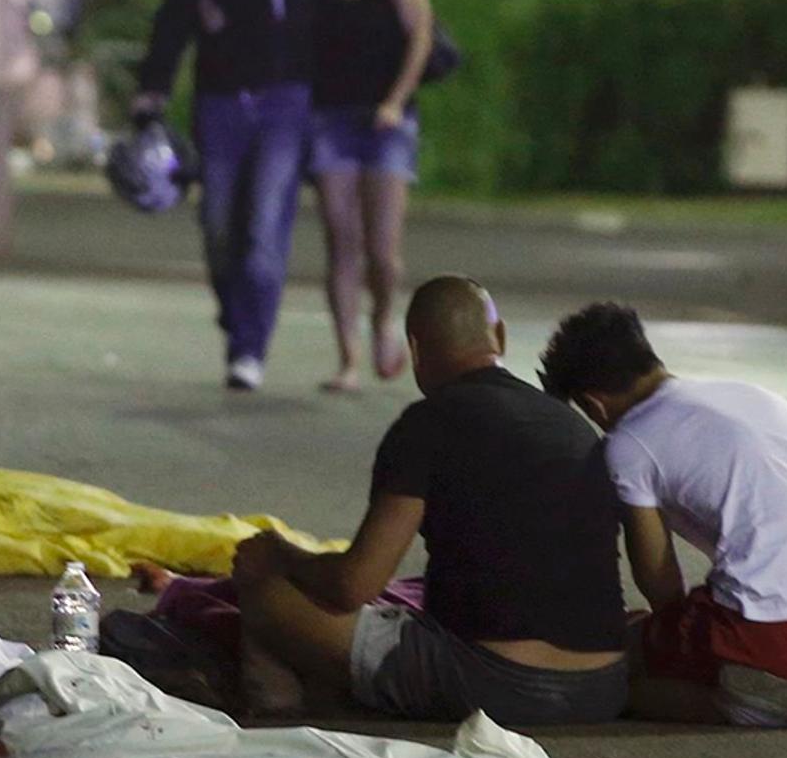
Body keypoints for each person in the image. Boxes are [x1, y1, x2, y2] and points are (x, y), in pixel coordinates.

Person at [228, 275, 631, 726]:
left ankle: (277, 715)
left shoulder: (427, 424)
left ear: (415, 349)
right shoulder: (568, 422)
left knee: (267, 590)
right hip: (603, 687)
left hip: (491, 687)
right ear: (498, 337)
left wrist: (280, 553)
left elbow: (353, 585)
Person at [533, 301, 787, 729]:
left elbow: (658, 576)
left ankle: (763, 705)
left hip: (775, 635)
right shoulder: (758, 398)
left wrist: (667, 641)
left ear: (594, 406)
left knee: (617, 675)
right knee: (742, 625)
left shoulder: (630, 446)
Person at [133, 0, 323, 392]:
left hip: (286, 101)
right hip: (221, 100)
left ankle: (248, 347)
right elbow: (175, 15)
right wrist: (153, 87)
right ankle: (235, 307)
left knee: (266, 224)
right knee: (218, 224)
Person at [306, 0, 434, 392]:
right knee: (342, 239)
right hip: (329, 118)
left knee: (383, 250)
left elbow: (420, 33)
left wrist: (394, 102)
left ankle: (383, 320)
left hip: (387, 120)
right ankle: (348, 359)